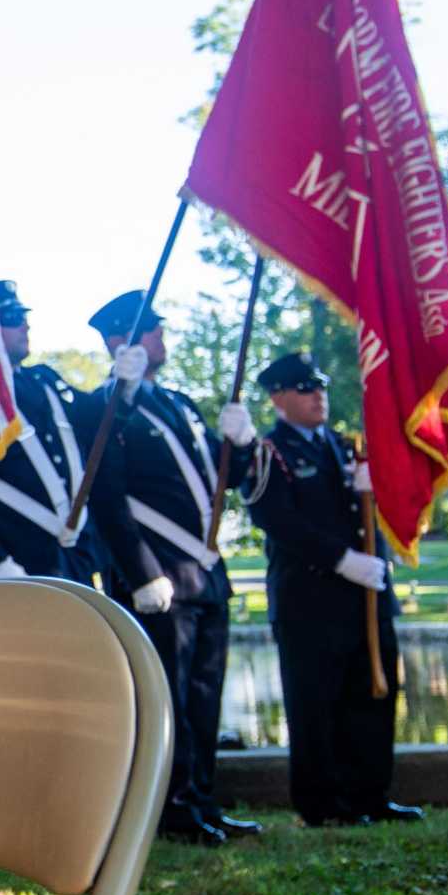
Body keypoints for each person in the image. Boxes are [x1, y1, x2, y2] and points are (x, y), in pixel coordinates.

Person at [78, 291, 259, 847]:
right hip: (159, 578)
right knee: (169, 701)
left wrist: (244, 444)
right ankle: (171, 809)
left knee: (205, 696)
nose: (161, 338)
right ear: (118, 342)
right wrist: (139, 573)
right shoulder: (102, 406)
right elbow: (105, 499)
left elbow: (222, 480)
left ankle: (201, 799)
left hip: (204, 573)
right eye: (151, 330)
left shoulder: (181, 403)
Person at [242, 351, 421, 828]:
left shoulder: (347, 448)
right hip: (311, 601)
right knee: (316, 704)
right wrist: (342, 560)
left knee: (373, 696)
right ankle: (323, 805)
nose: (318, 395)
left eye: (320, 386)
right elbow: (277, 520)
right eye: (305, 389)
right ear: (279, 397)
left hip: (365, 596)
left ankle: (371, 795)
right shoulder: (269, 453)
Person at [0, 279, 102, 587]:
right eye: (12, 319)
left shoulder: (45, 380)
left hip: (74, 556)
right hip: (20, 560)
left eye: (24, 317)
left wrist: (124, 386)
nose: (25, 326)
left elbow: (97, 424)